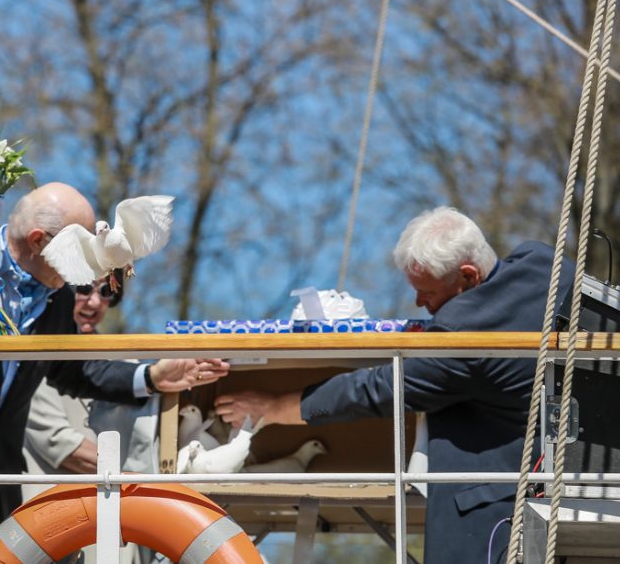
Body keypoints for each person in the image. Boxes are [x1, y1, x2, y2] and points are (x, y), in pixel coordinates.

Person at [213, 206, 575, 564]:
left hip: (492, 511)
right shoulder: (542, 263)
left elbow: (373, 390)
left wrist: (272, 407)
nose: (419, 302)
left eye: (428, 292)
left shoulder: (461, 337)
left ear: (468, 276)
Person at [0, 182, 229, 531]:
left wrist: (153, 377)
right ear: (37, 241)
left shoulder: (59, 298)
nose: (84, 267)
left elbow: (76, 370)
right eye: (78, 251)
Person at [23, 273, 157, 564]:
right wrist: (146, 483)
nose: (94, 301)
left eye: (107, 291)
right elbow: (60, 443)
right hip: (52, 527)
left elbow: (149, 438)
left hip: (118, 534)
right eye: (83, 288)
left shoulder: (127, 364)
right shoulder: (34, 351)